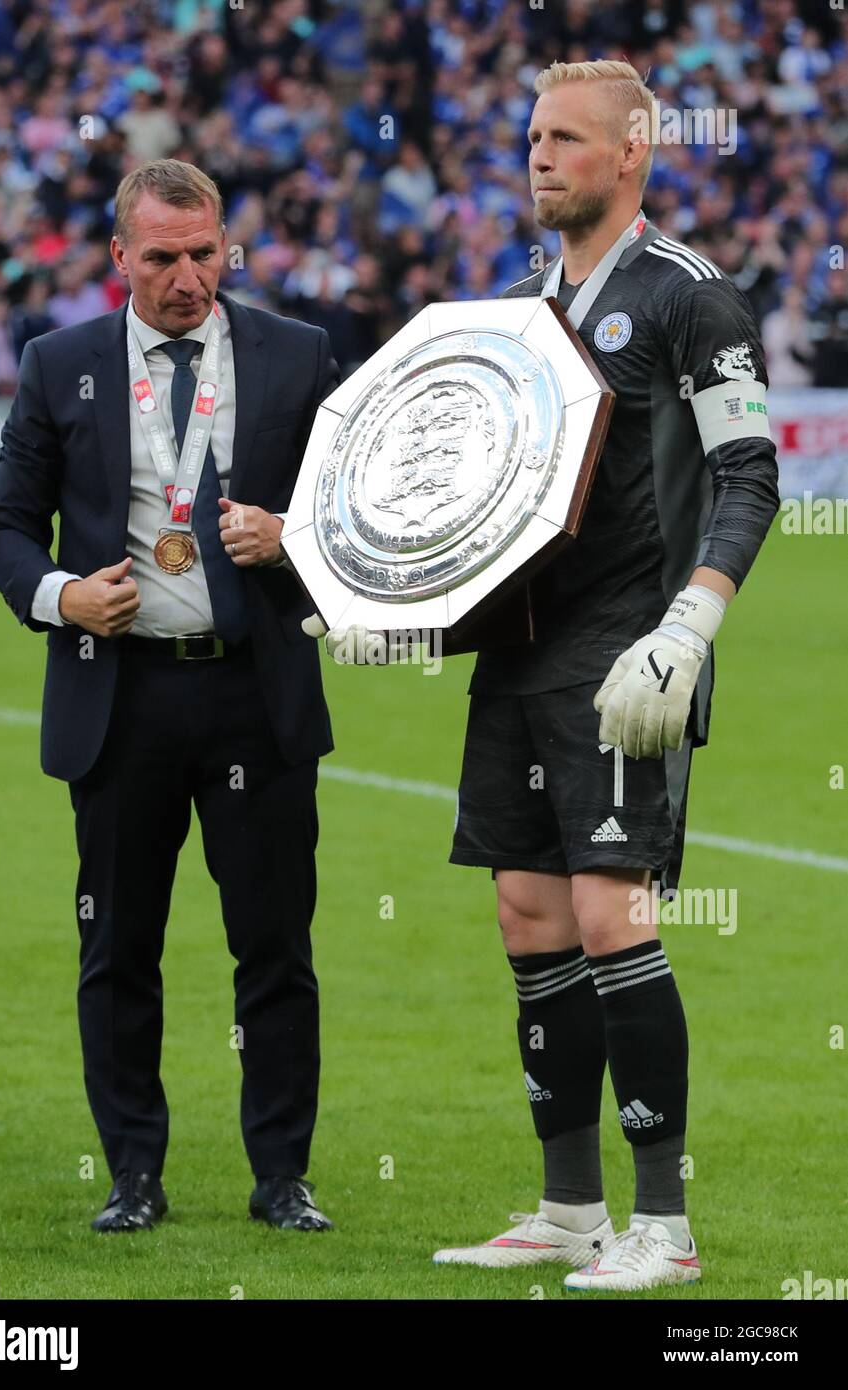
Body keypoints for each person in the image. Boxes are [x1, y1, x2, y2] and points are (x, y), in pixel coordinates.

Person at [308, 61, 779, 1291]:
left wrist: (689, 627)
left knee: (615, 912)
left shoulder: (692, 298)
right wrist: (403, 617)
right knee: (528, 915)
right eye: (532, 136)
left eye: (566, 138)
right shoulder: (518, 308)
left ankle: (664, 1229)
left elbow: (749, 476)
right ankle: (571, 1208)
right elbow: (484, 505)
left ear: (634, 151)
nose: (539, 156)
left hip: (630, 655)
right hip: (517, 658)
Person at [0, 159, 340, 1235]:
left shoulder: (297, 352)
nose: (189, 277)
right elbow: (1, 526)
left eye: (205, 254)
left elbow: (358, 510)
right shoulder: (60, 364)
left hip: (254, 694)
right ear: (119, 257)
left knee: (275, 951)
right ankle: (133, 1171)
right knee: (119, 947)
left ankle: (283, 1177)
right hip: (121, 700)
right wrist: (60, 595)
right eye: (164, 257)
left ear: (227, 246)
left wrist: (292, 537)